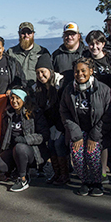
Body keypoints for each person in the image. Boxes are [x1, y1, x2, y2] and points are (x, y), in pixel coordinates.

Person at [60, 57, 111, 197]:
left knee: (92, 154)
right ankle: (85, 182)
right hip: (77, 130)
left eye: (83, 71)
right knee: (77, 156)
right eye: (77, 71)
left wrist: (94, 136)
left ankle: (97, 183)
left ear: (91, 71)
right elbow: (64, 112)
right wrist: (76, 135)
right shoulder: (69, 90)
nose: (80, 74)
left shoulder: (103, 90)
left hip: (97, 131)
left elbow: (108, 114)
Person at [0, 89, 49, 192]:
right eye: (12, 98)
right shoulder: (9, 114)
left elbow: (44, 135)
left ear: (24, 99)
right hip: (14, 150)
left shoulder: (34, 113)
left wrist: (26, 139)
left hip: (32, 151)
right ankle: (17, 170)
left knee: (20, 147)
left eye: (17, 98)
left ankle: (23, 179)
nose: (14, 101)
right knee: (0, 165)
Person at [83, 30, 111, 183]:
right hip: (94, 106)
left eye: (97, 43)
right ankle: (101, 172)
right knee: (100, 140)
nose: (94, 47)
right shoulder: (86, 61)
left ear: (103, 44)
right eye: (91, 43)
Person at [33, 54, 68, 186]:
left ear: (50, 70)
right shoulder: (39, 89)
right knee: (52, 146)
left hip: (62, 123)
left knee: (58, 145)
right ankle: (57, 173)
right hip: (51, 124)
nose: (41, 75)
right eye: (38, 73)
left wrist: (61, 127)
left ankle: (64, 175)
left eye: (43, 71)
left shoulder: (60, 84)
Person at [6, 22, 50, 88]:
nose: (26, 35)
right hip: (17, 90)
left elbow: (50, 73)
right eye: (23, 33)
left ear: (33, 34)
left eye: (29, 32)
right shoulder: (11, 52)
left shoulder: (42, 52)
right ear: (19, 34)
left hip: (37, 90)